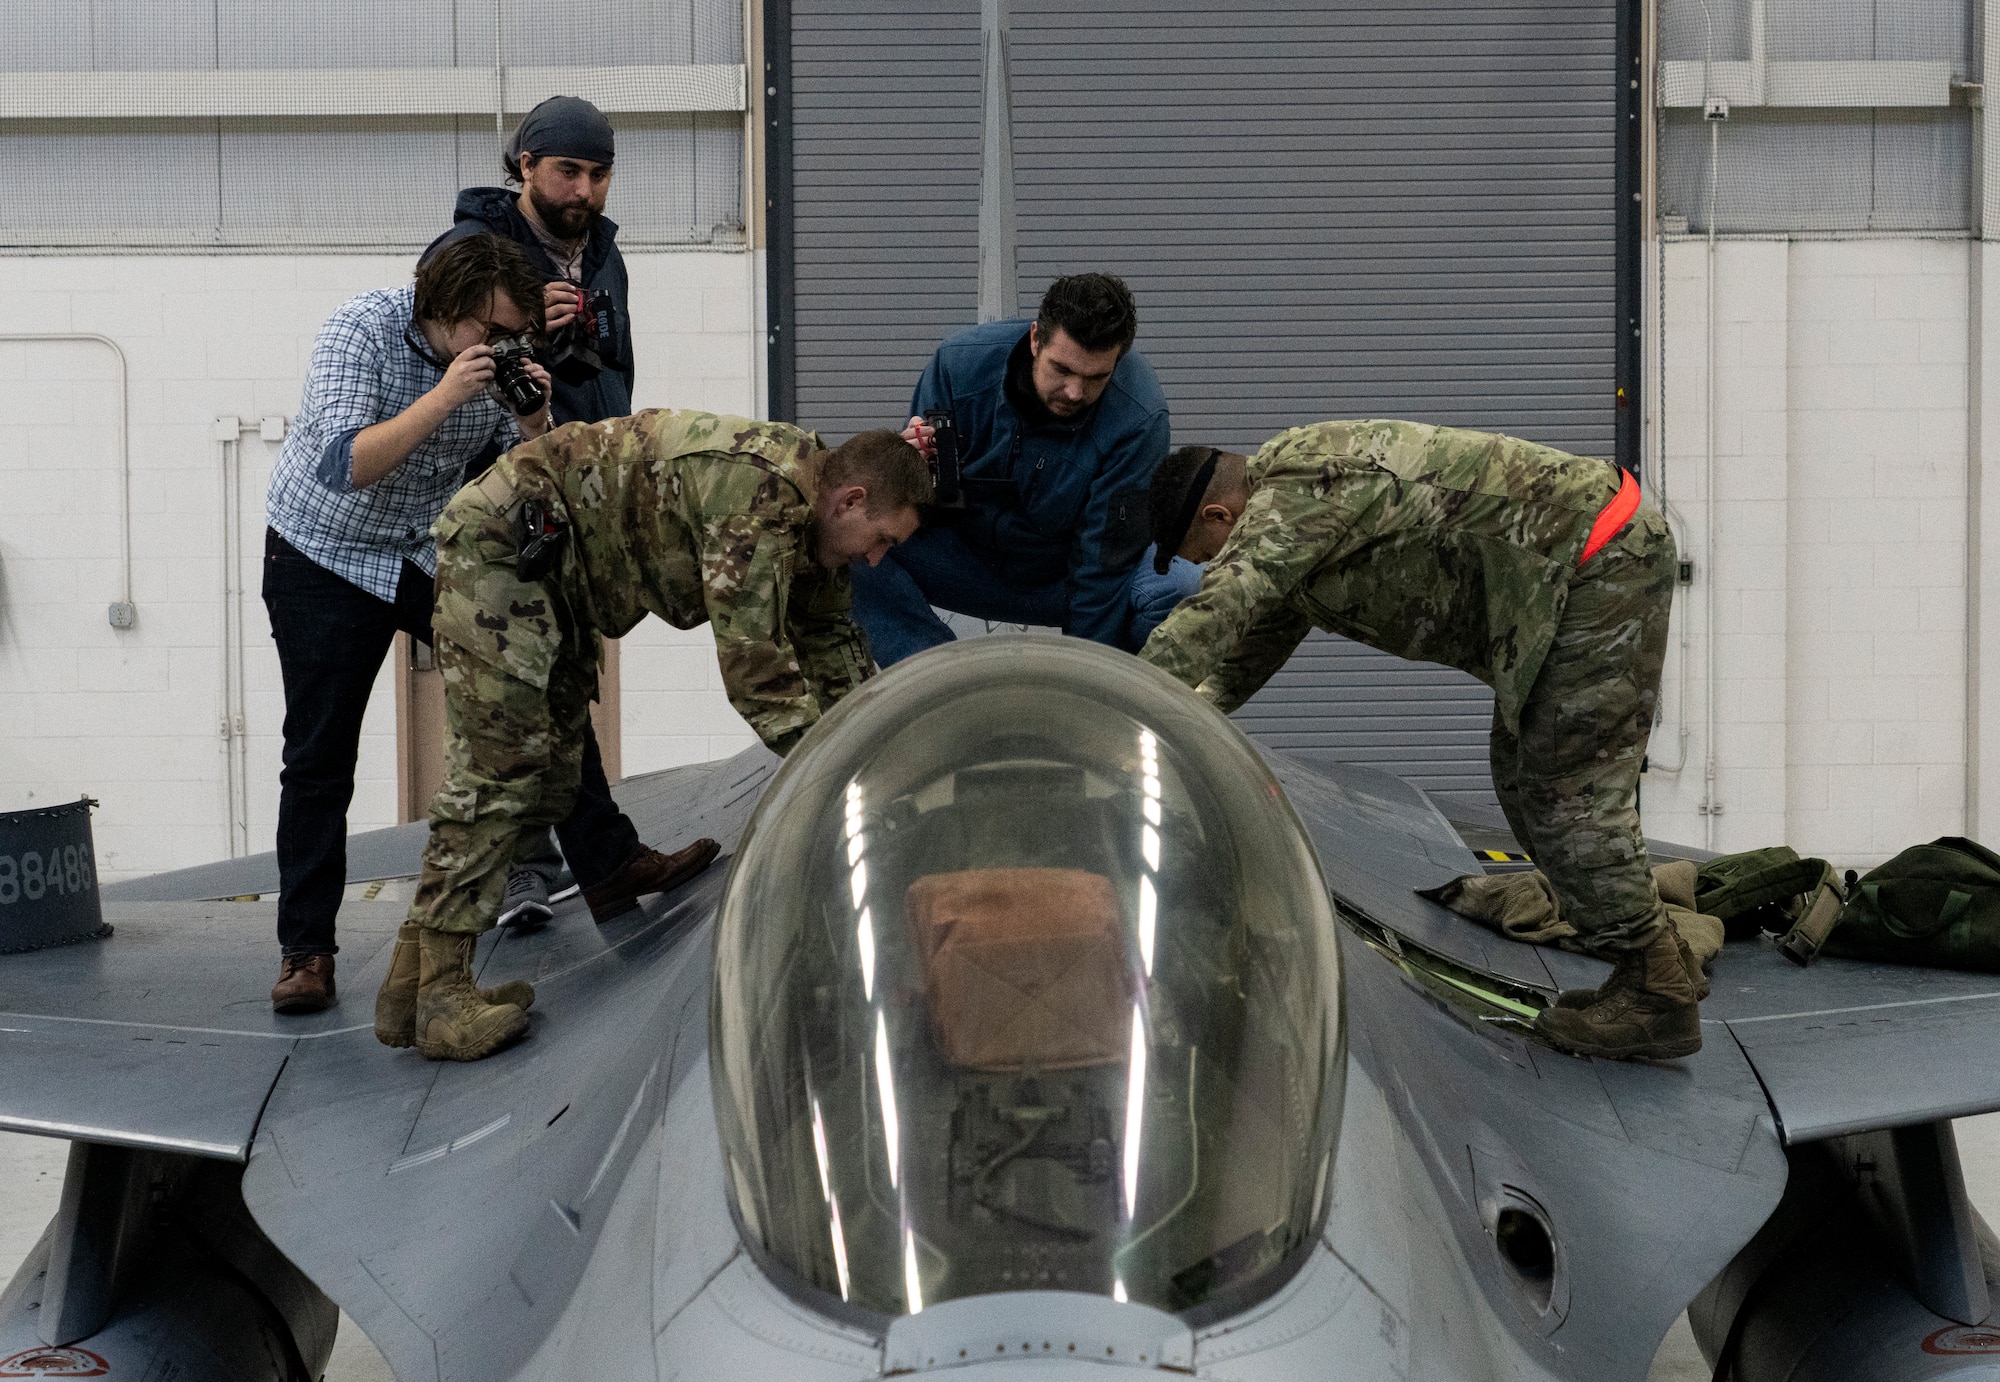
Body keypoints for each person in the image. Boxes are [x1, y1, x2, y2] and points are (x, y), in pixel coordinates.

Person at [375, 414, 931, 1061]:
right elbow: (757, 674)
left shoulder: (814, 516)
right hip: (507, 548)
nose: (875, 558)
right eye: (882, 539)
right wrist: (844, 772)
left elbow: (830, 645)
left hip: (555, 573)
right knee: (501, 771)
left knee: (552, 773)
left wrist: (882, 749)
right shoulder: (762, 497)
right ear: (851, 500)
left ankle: (411, 986)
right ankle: (442, 997)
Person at [1139, 421, 1699, 1061]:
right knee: (1522, 781)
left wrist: (1127, 708)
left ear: (1219, 513)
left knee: (1564, 795)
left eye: (1206, 553)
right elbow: (1254, 641)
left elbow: (1221, 610)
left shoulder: (1292, 495)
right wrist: (1189, 710)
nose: (1212, 566)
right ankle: (1652, 956)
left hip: (1600, 560)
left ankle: (1657, 993)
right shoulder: (1297, 509)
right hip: (1583, 567)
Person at [261, 233, 557, 1015]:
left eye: (511, 335)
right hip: (321, 551)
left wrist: (534, 419)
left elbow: (527, 476)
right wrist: (447, 394)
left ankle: (602, 861)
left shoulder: (489, 365)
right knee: (320, 757)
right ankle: (306, 954)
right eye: (490, 332)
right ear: (442, 310)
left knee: (530, 678)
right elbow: (344, 464)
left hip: (419, 549)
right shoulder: (359, 329)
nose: (500, 348)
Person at [424, 94, 661, 931]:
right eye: (568, 170)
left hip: (575, 487)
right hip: (498, 495)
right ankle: (526, 871)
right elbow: (456, 360)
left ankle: (579, 860)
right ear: (524, 165)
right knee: (513, 682)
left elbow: (614, 368)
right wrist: (540, 340)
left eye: (599, 174)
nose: (585, 190)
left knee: (563, 675)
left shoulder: (602, 253)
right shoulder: (476, 249)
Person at [850, 273, 1190, 665]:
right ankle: (945, 694)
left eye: (1097, 377)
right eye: (1061, 370)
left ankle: (1116, 708)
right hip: (963, 561)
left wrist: (1083, 683)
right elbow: (912, 512)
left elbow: (1105, 563)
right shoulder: (957, 366)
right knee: (856, 542)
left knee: (1180, 587)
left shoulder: (1140, 418)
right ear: (1034, 339)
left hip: (1062, 578)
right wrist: (914, 476)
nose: (1076, 392)